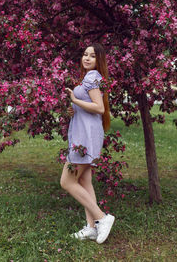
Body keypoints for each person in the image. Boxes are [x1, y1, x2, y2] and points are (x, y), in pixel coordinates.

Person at [60, 43, 115, 244]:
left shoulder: (92, 77)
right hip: (85, 135)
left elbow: (99, 108)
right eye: (85, 54)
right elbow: (89, 107)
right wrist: (74, 107)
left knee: (66, 181)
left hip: (84, 139)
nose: (87, 58)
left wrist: (74, 98)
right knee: (84, 181)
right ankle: (92, 228)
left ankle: (102, 218)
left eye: (92, 56)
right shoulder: (89, 79)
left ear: (98, 60)